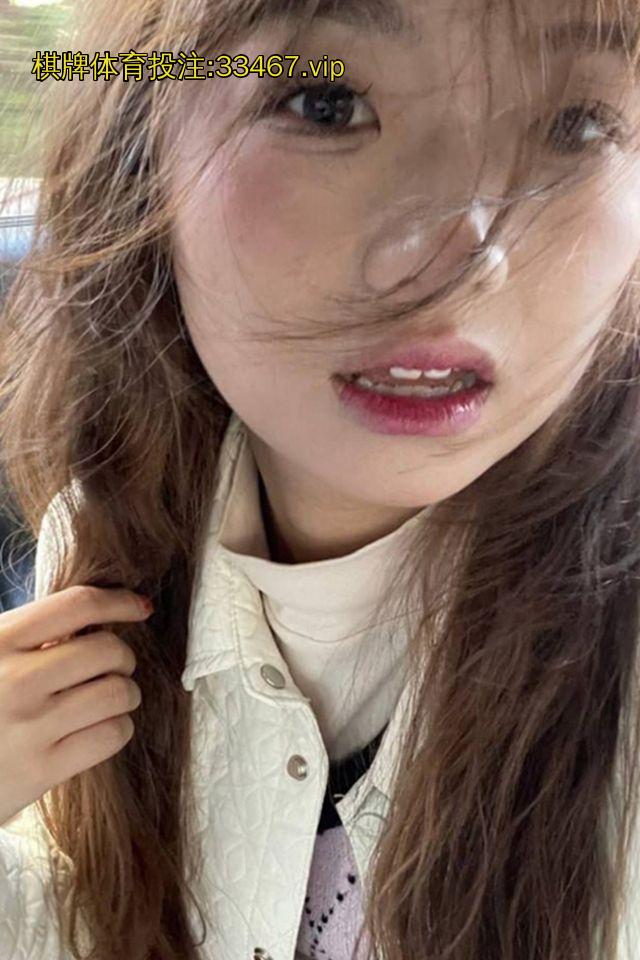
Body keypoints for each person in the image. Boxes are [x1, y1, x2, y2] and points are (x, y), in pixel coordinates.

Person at [1, 0, 640, 958]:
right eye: (324, 104)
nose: (455, 256)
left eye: (574, 125)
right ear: (141, 157)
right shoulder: (106, 546)